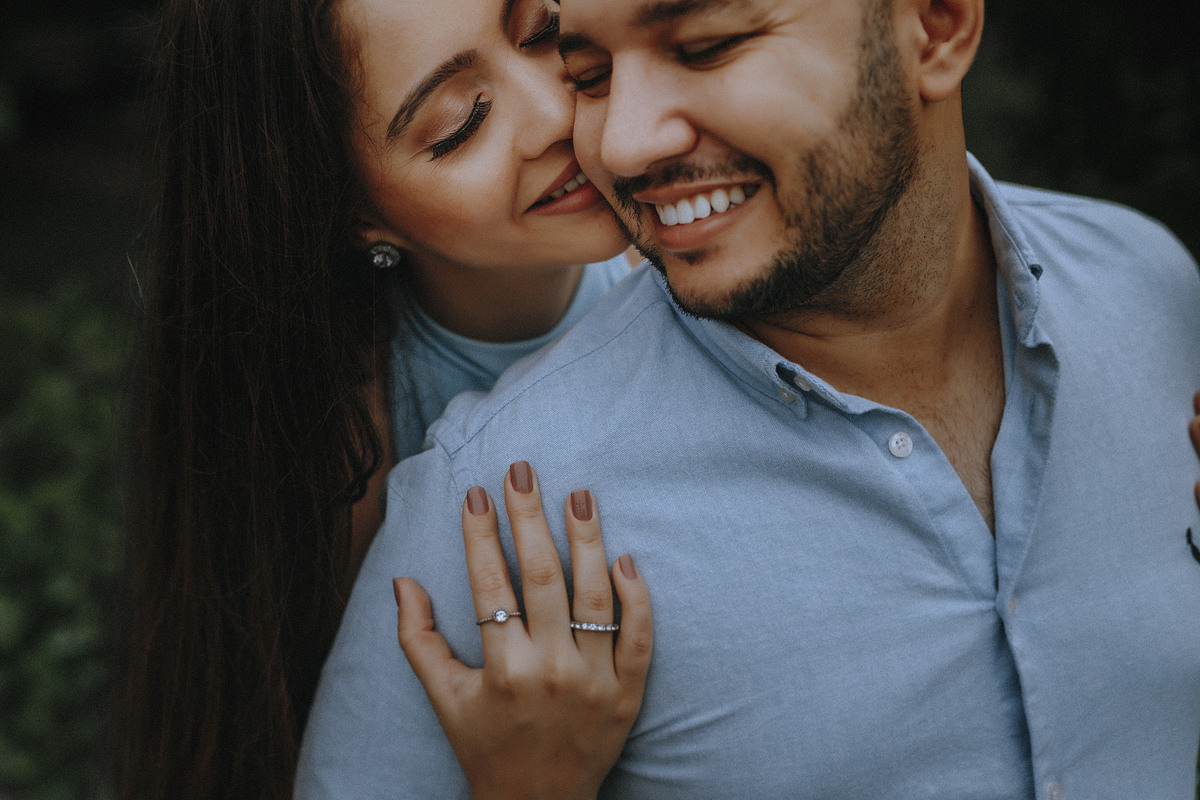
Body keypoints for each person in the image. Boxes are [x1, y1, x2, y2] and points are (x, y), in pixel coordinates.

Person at [296, 0, 1200, 796]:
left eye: (706, 45)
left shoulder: (1156, 294)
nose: (619, 142)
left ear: (938, 23)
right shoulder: (492, 503)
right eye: (592, 72)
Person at [113, 0, 654, 797]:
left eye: (543, 34)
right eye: (460, 124)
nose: (552, 113)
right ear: (356, 214)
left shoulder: (697, 231)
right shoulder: (353, 445)